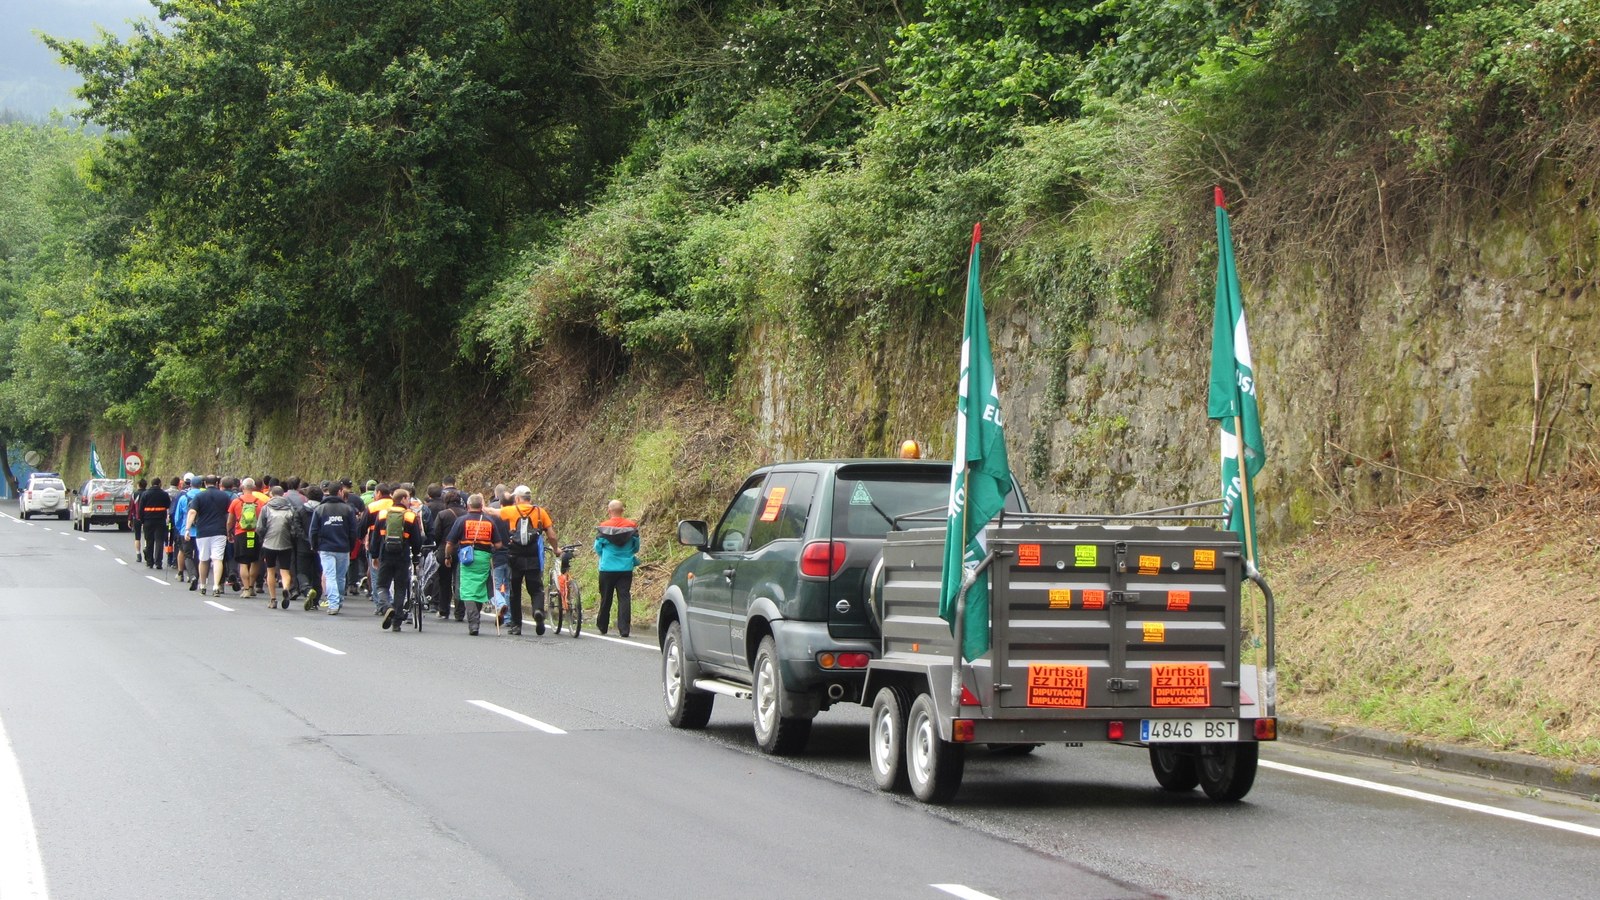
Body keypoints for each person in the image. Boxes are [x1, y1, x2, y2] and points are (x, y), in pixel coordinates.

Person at [443, 493, 506, 636]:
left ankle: (474, 623)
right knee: (479, 587)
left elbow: (450, 543)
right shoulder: (489, 522)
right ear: (481, 506)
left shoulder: (461, 521)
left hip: (467, 558)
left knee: (468, 590)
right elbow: (498, 544)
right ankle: (475, 617)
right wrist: (489, 548)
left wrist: (447, 557)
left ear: (468, 506)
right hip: (484, 558)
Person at [499, 485, 557, 636]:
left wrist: (483, 507)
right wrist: (556, 549)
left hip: (514, 557)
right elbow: (551, 535)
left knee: (514, 591)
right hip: (533, 557)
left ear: (517, 498)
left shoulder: (511, 511)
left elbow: (494, 512)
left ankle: (517, 625)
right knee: (536, 589)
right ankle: (538, 611)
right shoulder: (540, 512)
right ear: (529, 498)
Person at [374, 488, 423, 632]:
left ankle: (386, 607)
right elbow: (417, 541)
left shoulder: (382, 514)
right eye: (408, 499)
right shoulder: (410, 516)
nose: (409, 501)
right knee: (400, 588)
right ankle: (397, 622)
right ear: (402, 499)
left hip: (385, 555)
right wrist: (415, 557)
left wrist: (375, 555)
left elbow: (375, 537)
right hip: (402, 557)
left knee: (382, 586)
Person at [310, 483, 360, 615]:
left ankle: (333, 604)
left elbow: (313, 530)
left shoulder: (320, 509)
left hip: (325, 548)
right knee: (341, 577)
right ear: (339, 492)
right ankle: (339, 601)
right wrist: (350, 546)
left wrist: (315, 546)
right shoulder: (348, 509)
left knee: (330, 575)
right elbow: (353, 531)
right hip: (343, 548)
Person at [593, 499, 640, 638]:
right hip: (625, 568)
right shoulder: (631, 527)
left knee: (606, 597)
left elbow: (598, 547)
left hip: (607, 567)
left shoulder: (603, 527)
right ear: (622, 510)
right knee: (624, 597)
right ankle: (624, 629)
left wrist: (605, 557)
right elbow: (636, 547)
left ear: (609, 511)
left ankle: (602, 626)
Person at [185, 475, 232, 596]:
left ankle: (203, 585)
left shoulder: (199, 496)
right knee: (217, 559)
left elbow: (192, 512)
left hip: (203, 531)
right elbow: (229, 514)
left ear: (205, 483)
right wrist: (229, 529)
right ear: (217, 483)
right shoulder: (224, 496)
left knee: (203, 559)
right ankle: (216, 586)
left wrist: (187, 529)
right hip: (220, 531)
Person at [226, 478, 267, 600]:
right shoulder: (260, 502)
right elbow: (263, 520)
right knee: (255, 561)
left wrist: (229, 532)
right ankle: (252, 586)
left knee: (243, 562)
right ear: (254, 488)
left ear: (242, 488)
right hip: (256, 534)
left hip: (241, 533)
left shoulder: (236, 502)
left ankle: (246, 589)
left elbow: (230, 521)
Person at [259, 485, 297, 609]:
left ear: (271, 494)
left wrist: (263, 537)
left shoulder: (266, 508)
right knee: (285, 570)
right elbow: (294, 528)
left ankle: (273, 599)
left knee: (270, 570)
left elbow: (259, 527)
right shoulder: (290, 508)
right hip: (286, 543)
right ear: (283, 494)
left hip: (269, 543)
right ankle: (286, 588)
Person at [431, 489, 464, 619]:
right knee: (459, 581)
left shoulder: (443, 514)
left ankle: (444, 610)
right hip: (463, 550)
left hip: (445, 549)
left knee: (444, 581)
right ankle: (460, 612)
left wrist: (439, 546)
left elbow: (436, 533)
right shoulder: (465, 514)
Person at [138, 478, 170, 569]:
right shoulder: (164, 494)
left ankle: (149, 562)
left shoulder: (145, 494)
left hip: (148, 521)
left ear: (151, 484)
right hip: (160, 521)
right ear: (160, 484)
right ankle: (158, 562)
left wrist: (142, 520)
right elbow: (168, 505)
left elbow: (141, 509)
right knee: (159, 541)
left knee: (149, 541)